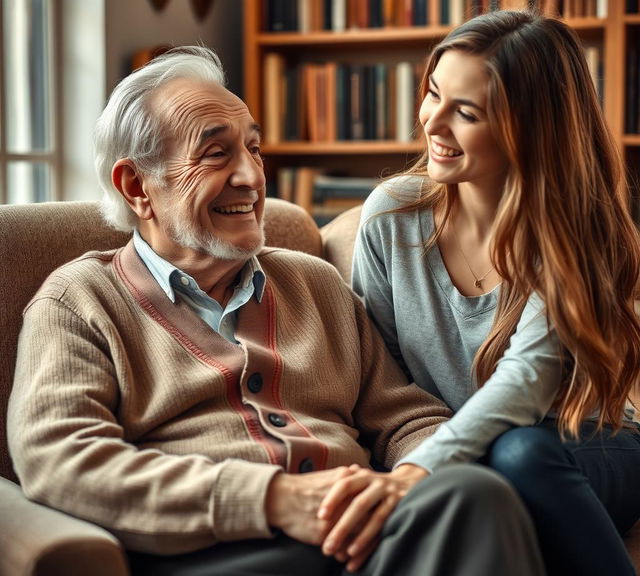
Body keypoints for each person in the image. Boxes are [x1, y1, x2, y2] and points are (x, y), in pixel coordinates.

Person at [7, 46, 545, 576]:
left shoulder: (312, 281)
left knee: (476, 494)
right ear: (136, 186)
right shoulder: (79, 301)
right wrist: (272, 499)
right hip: (220, 551)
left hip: (362, 536)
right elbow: (64, 462)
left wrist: (401, 479)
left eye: (254, 149)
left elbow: (405, 416)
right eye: (216, 154)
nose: (251, 177)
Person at [317, 10, 640, 576]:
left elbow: (527, 383)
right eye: (433, 94)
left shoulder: (569, 230)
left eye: (465, 112)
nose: (433, 123)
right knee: (488, 474)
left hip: (578, 447)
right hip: (464, 466)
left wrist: (417, 473)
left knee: (520, 451)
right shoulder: (391, 216)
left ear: (531, 130)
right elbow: (378, 373)